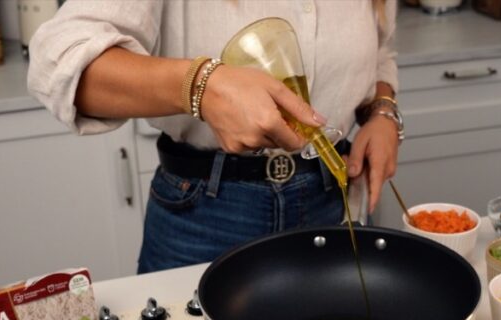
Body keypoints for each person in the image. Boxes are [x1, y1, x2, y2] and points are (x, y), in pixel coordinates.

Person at [28, 0, 402, 273]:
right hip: (206, 214)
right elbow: (58, 60)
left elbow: (380, 49)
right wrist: (200, 87)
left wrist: (382, 110)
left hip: (333, 203)